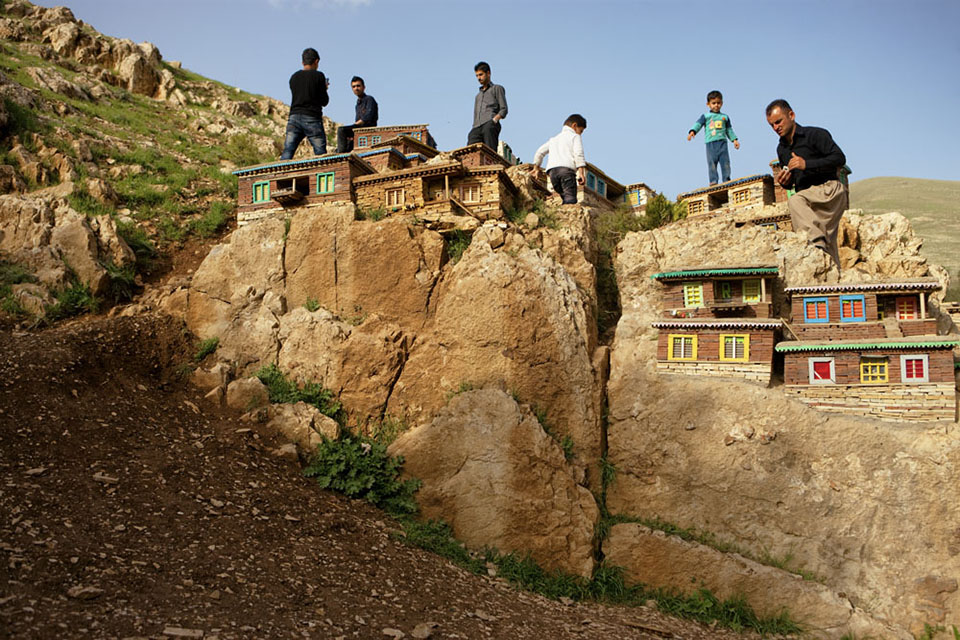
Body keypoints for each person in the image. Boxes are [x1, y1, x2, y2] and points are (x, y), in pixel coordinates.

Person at [766, 98, 848, 271]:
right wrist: (786, 183)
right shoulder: (782, 150)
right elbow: (794, 181)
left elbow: (839, 159)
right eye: (772, 125)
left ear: (791, 115)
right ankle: (832, 277)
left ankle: (814, 248)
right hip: (810, 199)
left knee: (795, 201)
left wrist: (807, 164)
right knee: (829, 243)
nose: (776, 128)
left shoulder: (816, 135)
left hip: (828, 191)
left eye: (778, 122)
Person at [280, 48, 329, 160]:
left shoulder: (294, 77)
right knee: (321, 155)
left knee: (288, 152)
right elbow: (324, 101)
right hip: (312, 118)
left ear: (303, 62)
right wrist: (324, 88)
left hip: (294, 118)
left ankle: (280, 176)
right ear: (316, 61)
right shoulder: (319, 76)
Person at [529, 114, 587, 205]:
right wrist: (581, 173)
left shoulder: (554, 139)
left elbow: (540, 152)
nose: (580, 134)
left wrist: (536, 168)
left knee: (564, 196)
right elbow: (578, 154)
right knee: (570, 199)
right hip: (566, 171)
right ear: (574, 126)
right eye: (581, 131)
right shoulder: (575, 137)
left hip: (553, 174)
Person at [687, 90, 740, 185]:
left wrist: (734, 140)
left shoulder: (725, 117)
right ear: (708, 104)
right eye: (713, 103)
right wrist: (692, 131)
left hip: (722, 143)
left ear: (722, 103)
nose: (716, 105)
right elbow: (698, 124)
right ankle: (713, 181)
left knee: (725, 163)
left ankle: (726, 180)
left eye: (718, 103)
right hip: (710, 143)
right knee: (712, 163)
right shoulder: (706, 116)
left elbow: (729, 130)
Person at [467, 61, 507, 149]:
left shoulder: (497, 88)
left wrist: (494, 120)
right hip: (476, 126)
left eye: (481, 75)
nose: (478, 78)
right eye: (477, 76)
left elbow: (504, 109)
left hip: (490, 124)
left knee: (490, 152)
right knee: (470, 148)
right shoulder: (478, 96)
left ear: (488, 73)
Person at [335, 76, 379, 153]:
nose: (356, 88)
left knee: (341, 130)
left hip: (366, 128)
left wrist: (356, 126)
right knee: (348, 144)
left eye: (358, 86)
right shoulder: (358, 104)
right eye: (354, 87)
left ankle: (340, 154)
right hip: (359, 129)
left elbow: (368, 116)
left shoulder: (369, 99)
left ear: (364, 87)